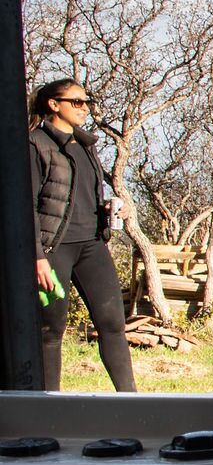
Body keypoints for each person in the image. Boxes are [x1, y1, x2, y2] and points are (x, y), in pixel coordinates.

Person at [27, 78, 137, 392]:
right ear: (53, 104)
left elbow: (77, 196)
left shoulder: (84, 144)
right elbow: (27, 205)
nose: (84, 108)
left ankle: (131, 401)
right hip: (52, 250)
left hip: (91, 245)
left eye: (87, 101)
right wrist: (36, 257)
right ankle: (48, 405)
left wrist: (112, 209)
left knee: (113, 324)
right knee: (50, 330)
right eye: (77, 102)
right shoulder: (35, 143)